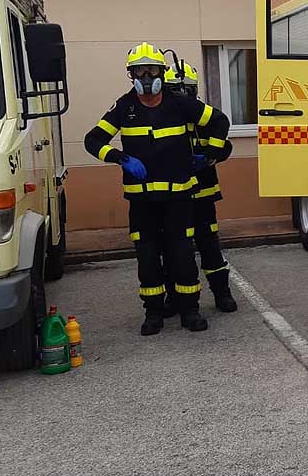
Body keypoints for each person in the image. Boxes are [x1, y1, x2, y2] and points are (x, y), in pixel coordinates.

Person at [84, 42, 230, 335]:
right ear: (131, 74)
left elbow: (219, 122)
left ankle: (190, 311)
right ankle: (153, 314)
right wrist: (120, 158)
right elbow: (93, 140)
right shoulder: (125, 106)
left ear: (162, 73)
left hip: (178, 196)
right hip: (143, 200)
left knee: (182, 254)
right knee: (147, 256)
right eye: (140, 71)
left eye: (151, 70)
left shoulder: (180, 103)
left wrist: (209, 155)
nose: (146, 77)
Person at [159, 61, 238, 316]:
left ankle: (222, 293)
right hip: (171, 198)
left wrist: (209, 156)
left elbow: (225, 147)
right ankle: (174, 298)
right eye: (176, 90)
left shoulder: (206, 118)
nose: (183, 95)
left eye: (187, 90)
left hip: (203, 196)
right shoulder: (159, 117)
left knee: (209, 247)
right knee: (173, 250)